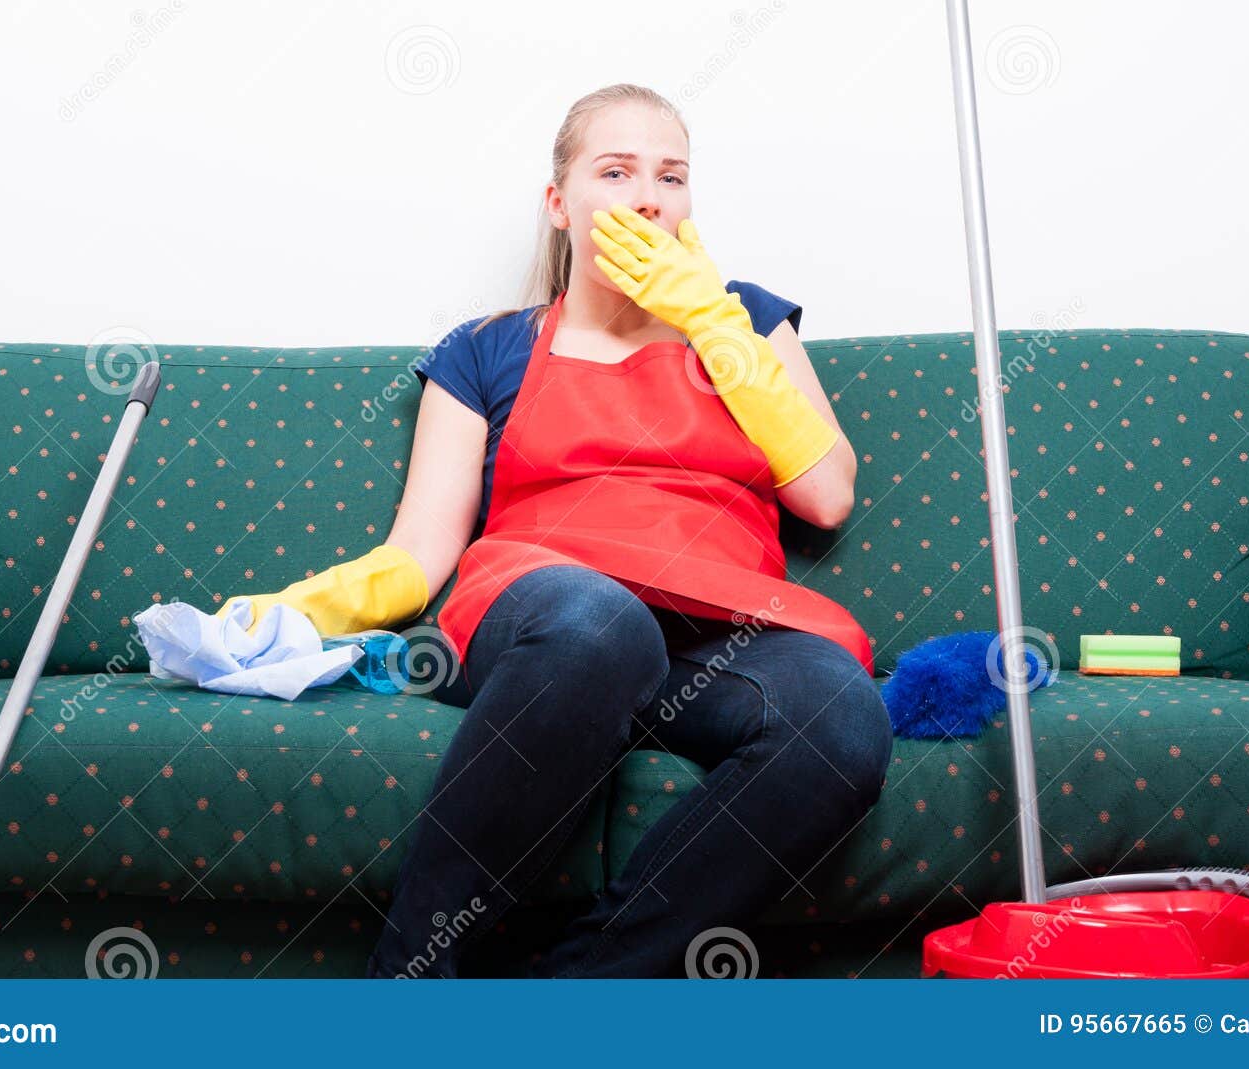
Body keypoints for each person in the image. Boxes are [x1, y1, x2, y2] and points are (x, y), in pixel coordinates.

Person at [219, 83, 892, 978]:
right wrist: (301, 610)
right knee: (599, 625)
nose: (650, 196)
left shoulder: (747, 320)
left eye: (672, 176)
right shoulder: (487, 346)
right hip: (548, 618)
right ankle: (407, 983)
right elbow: (421, 552)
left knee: (840, 717)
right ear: (559, 203)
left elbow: (827, 494)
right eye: (615, 171)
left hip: (721, 627)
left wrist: (711, 317)